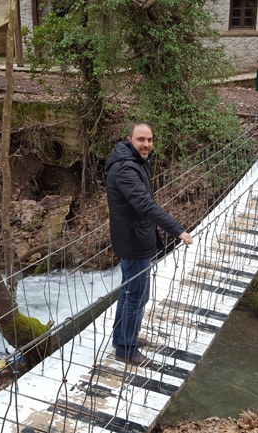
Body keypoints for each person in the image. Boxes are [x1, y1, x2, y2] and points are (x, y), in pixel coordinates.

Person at [105, 123, 193, 368]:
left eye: (150, 140)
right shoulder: (125, 169)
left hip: (135, 235)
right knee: (137, 296)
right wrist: (177, 230)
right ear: (129, 139)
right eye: (141, 139)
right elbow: (145, 204)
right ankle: (126, 349)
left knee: (129, 291)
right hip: (133, 240)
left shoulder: (134, 161)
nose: (146, 144)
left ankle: (123, 338)